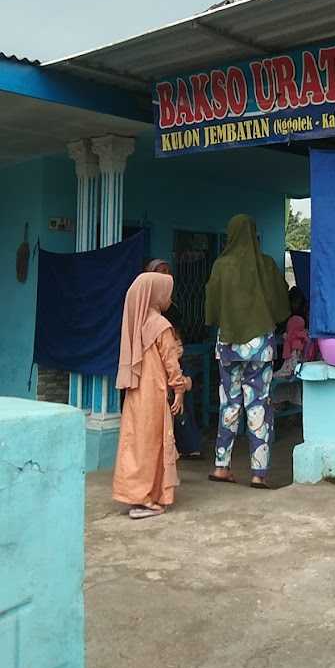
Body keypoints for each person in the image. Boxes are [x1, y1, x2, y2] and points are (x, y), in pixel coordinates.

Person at [205, 214, 290, 489]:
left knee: (228, 404)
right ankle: (258, 473)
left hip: (228, 344)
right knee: (259, 405)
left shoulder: (221, 266)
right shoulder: (265, 264)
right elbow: (281, 304)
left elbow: (212, 307)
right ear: (254, 236)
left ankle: (221, 466)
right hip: (261, 346)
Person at [112, 272, 192, 519]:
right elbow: (171, 363)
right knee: (152, 443)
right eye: (166, 291)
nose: (169, 296)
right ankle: (147, 499)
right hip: (154, 392)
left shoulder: (137, 323)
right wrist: (179, 388)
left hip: (135, 394)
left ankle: (134, 493)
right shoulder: (160, 325)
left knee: (136, 442)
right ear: (156, 294)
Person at [144, 258, 203, 459]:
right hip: (158, 366)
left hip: (174, 358)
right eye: (160, 271)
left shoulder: (171, 306)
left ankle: (188, 445)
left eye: (168, 271)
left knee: (184, 400)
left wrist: (176, 348)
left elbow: (176, 335)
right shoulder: (145, 311)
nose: (165, 275)